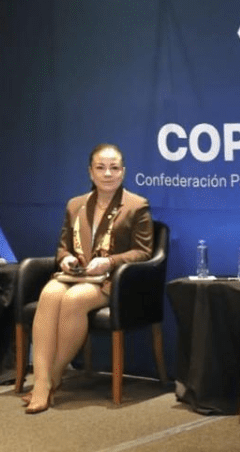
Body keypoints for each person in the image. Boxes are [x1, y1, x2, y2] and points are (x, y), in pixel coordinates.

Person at [23, 143, 153, 414]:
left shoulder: (136, 205)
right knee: (49, 294)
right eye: (101, 168)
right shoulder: (75, 205)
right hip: (76, 273)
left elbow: (143, 252)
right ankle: (42, 379)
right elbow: (63, 247)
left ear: (123, 171)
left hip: (111, 279)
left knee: (74, 299)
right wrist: (65, 259)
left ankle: (50, 378)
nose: (108, 174)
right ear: (90, 172)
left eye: (114, 168)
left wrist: (110, 261)